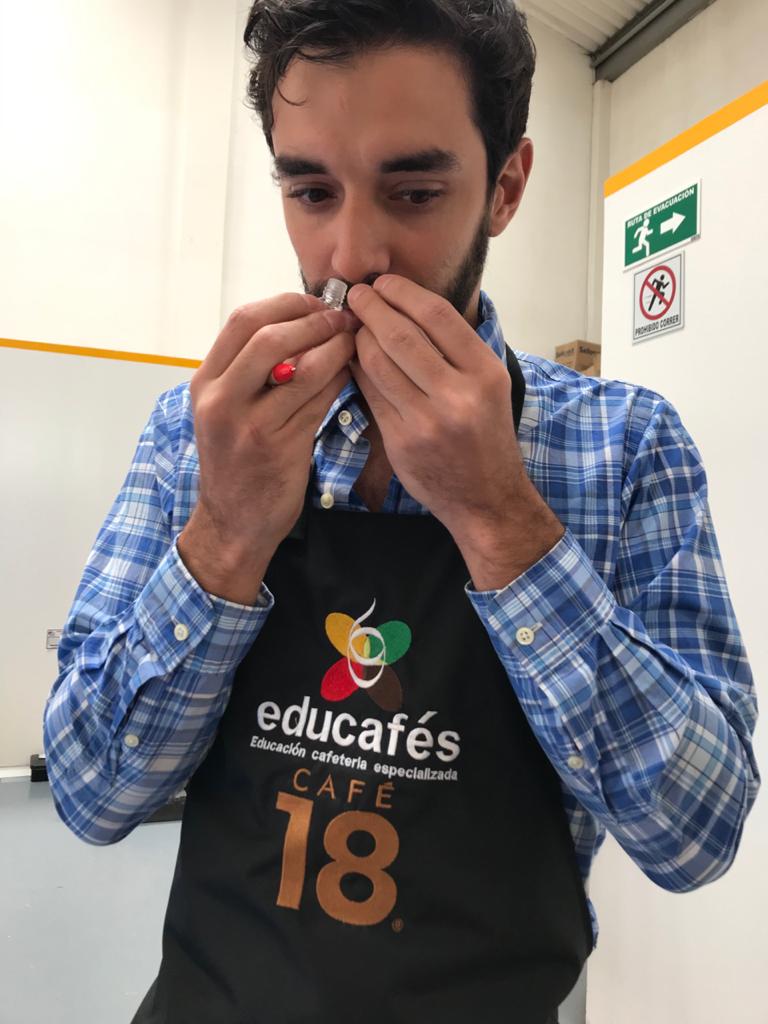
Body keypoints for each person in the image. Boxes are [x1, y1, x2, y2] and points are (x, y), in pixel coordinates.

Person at [43, 2, 760, 1022]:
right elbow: (89, 795)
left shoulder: (626, 446)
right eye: (310, 191)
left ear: (505, 187)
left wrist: (499, 516)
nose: (350, 253)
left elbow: (697, 834)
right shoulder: (197, 432)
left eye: (414, 191)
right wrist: (227, 531)